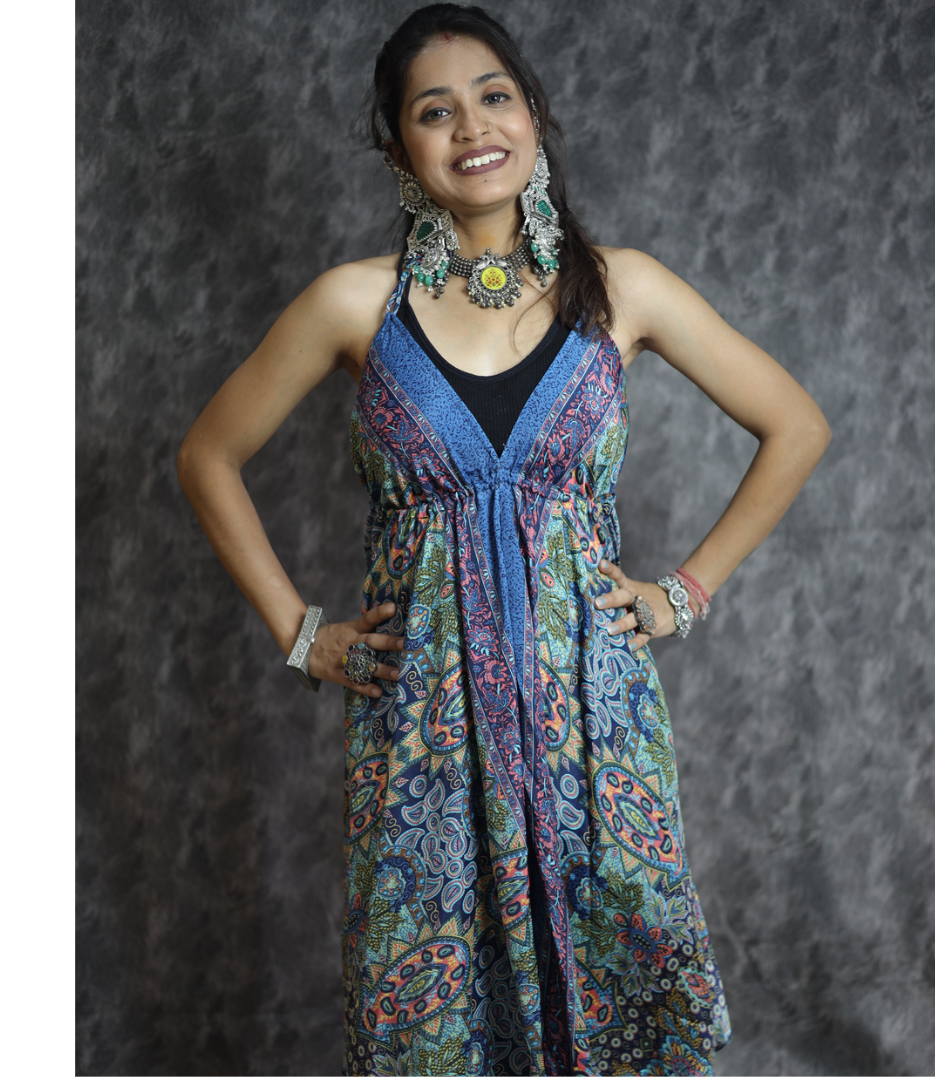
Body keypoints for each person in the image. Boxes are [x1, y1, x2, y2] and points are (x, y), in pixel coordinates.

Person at [178, 4, 830, 1074]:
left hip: (595, 727)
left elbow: (795, 425)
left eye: (494, 96)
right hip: (423, 741)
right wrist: (301, 634)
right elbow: (207, 457)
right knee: (434, 1024)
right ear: (401, 148)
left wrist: (683, 591)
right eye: (434, 111)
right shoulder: (355, 306)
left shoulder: (621, 288)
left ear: (533, 114)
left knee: (620, 996)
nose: (472, 126)